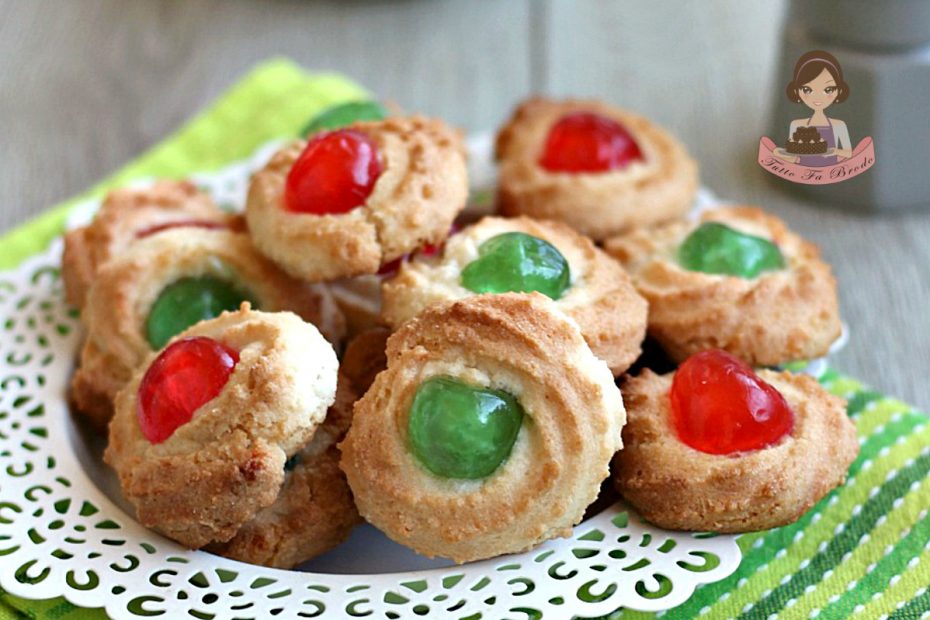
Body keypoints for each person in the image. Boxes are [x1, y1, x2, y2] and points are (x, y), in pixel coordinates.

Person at [775, 50, 853, 166]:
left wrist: (834, 151)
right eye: (807, 90)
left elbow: (849, 153)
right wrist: (778, 152)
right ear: (797, 91)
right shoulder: (796, 124)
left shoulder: (838, 125)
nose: (817, 96)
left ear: (839, 91)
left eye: (828, 90)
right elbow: (792, 156)